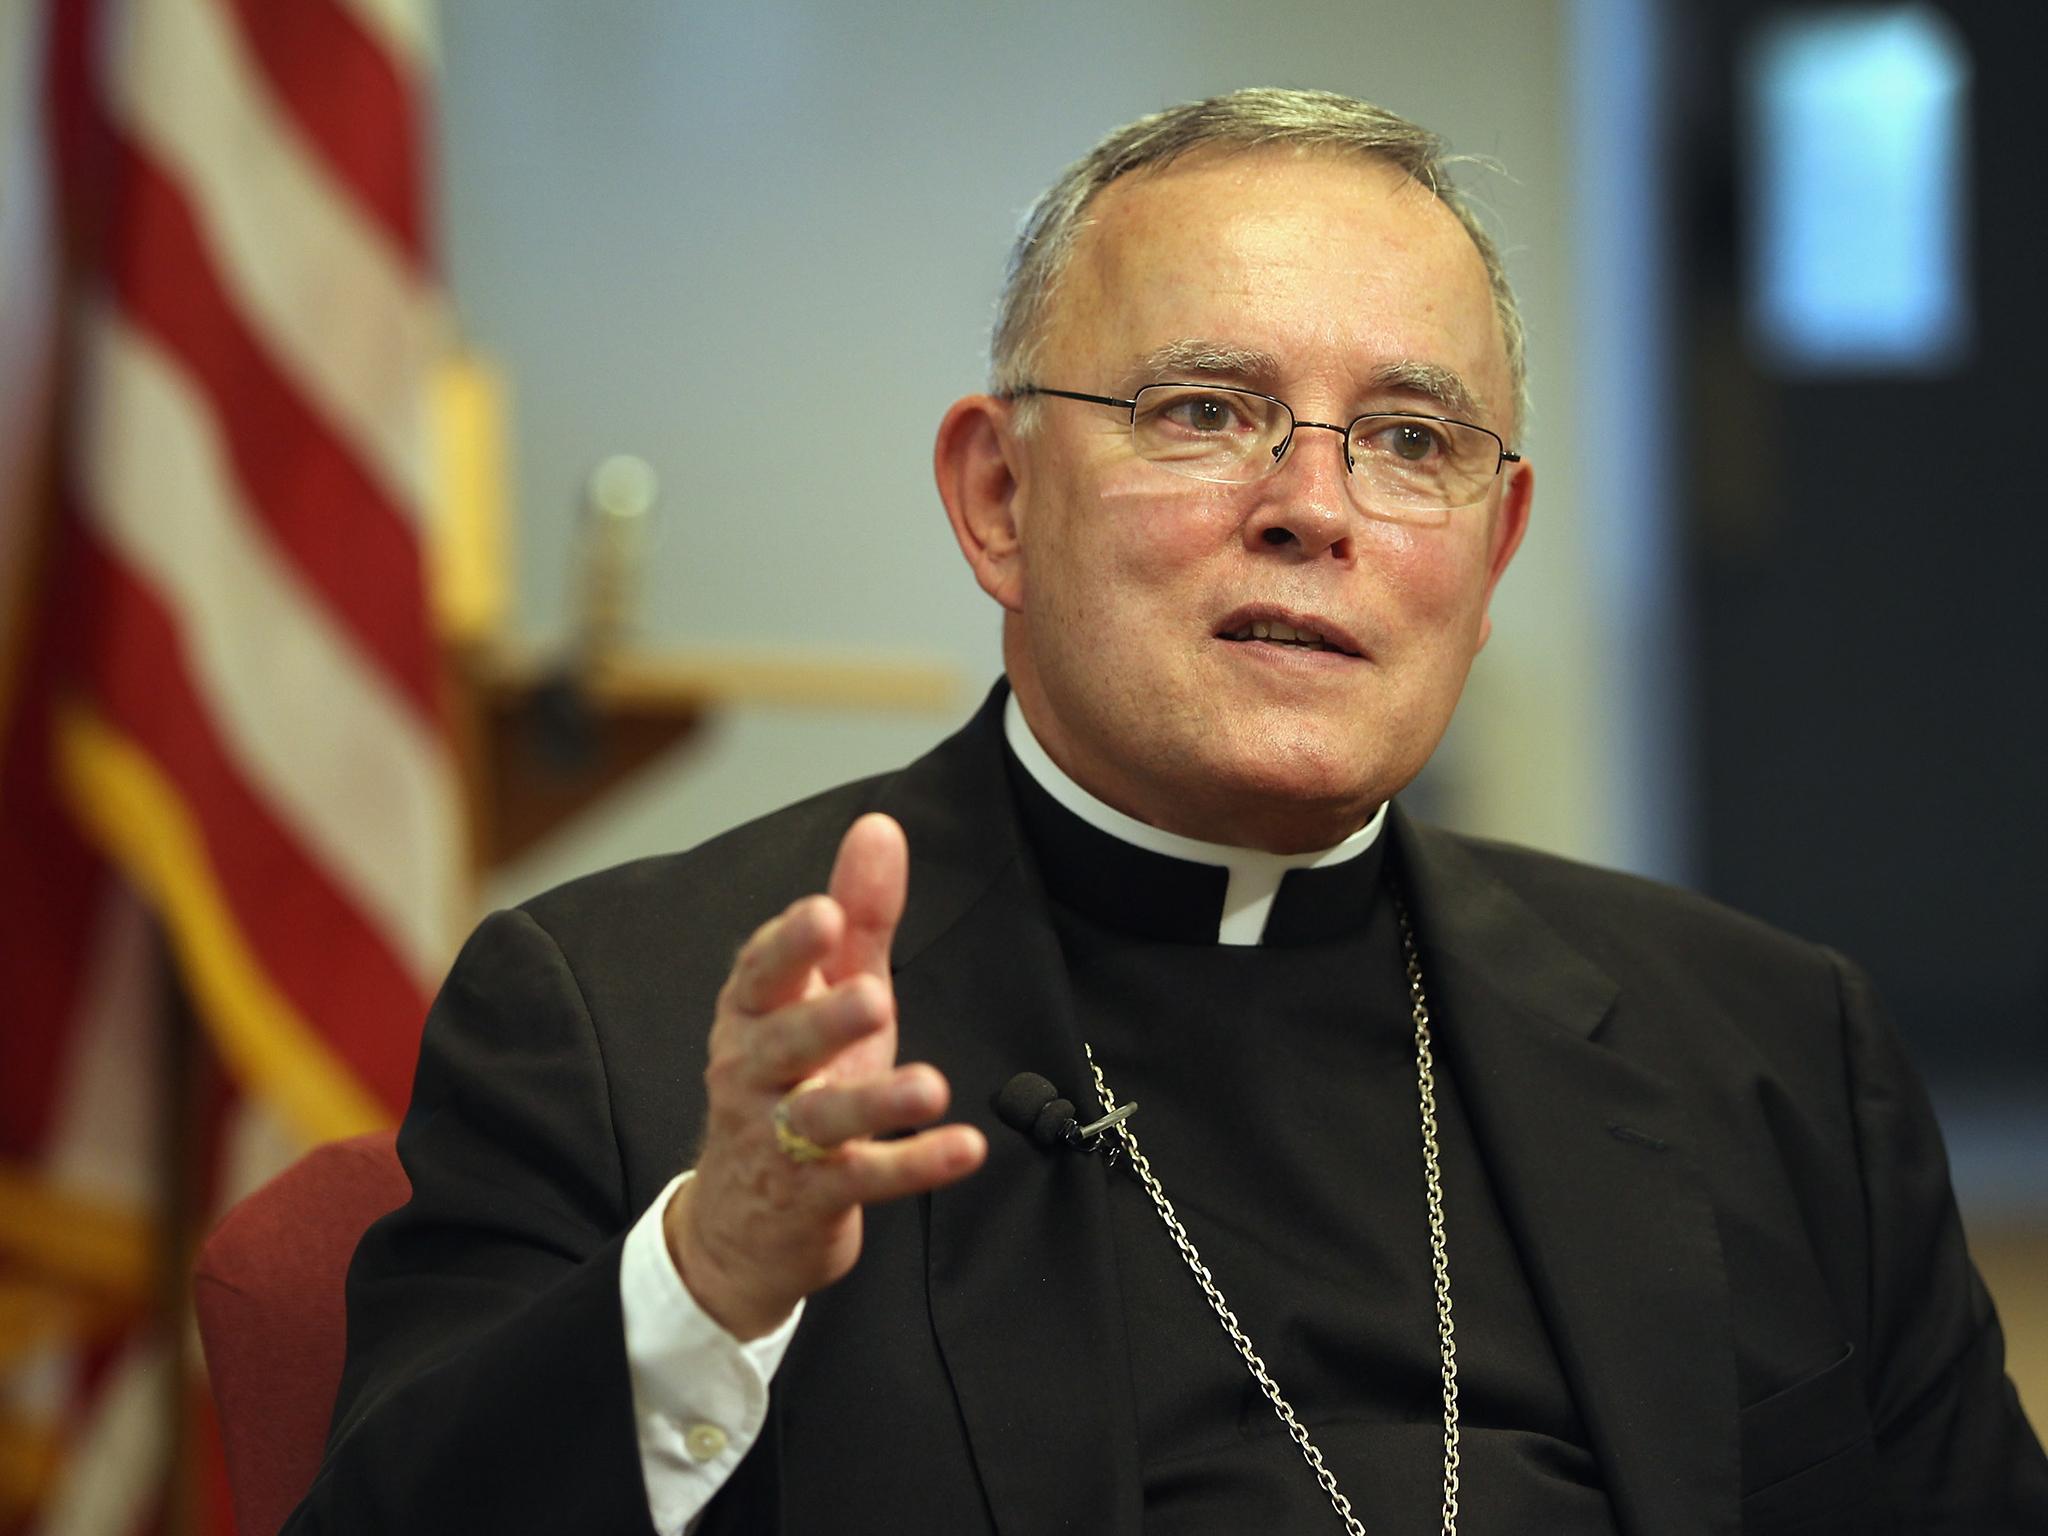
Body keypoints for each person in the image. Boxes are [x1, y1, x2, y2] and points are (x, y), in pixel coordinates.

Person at [287, 90, 2048, 1534]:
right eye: (1208, 412)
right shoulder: (622, 1025)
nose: (1315, 509)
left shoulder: (1766, 1046)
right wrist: (714, 1274)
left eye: (1415, 439)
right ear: (997, 498)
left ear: (1493, 555)